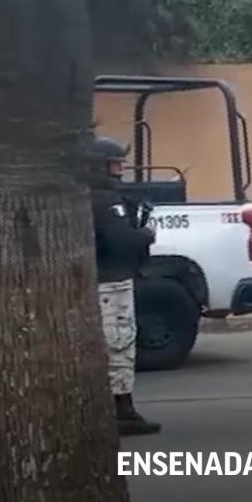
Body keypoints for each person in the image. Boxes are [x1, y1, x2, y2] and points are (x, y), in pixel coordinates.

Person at [89, 137, 162, 435]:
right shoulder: (105, 200)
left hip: (101, 281)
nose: (120, 170)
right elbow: (120, 241)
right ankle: (123, 411)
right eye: (115, 163)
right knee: (119, 346)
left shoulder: (89, 196)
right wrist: (145, 234)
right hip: (111, 284)